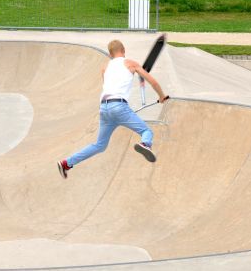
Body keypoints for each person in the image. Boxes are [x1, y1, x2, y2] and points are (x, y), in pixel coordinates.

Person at [57, 39, 168, 179]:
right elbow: (153, 82)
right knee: (146, 131)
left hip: (104, 108)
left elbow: (109, 87)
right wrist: (162, 96)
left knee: (100, 145)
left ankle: (67, 163)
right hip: (119, 107)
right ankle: (145, 144)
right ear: (124, 50)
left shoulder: (105, 67)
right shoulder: (131, 63)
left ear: (110, 54)